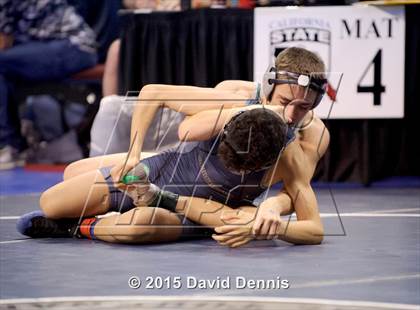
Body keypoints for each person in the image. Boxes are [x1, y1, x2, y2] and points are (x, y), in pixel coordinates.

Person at [17, 47, 330, 247]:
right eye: (286, 102)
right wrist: (134, 153)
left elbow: (297, 192)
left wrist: (271, 209)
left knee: (141, 225)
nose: (290, 115)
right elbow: (158, 99)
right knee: (54, 200)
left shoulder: (303, 140)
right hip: (173, 169)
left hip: (210, 207)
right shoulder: (237, 96)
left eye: (303, 108)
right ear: (269, 87)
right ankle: (121, 203)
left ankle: (83, 227)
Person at [0, 0, 98, 169]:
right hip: (61, 46)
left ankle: (8, 145)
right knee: (6, 70)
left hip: (73, 46)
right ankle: (15, 144)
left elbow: (3, 42)